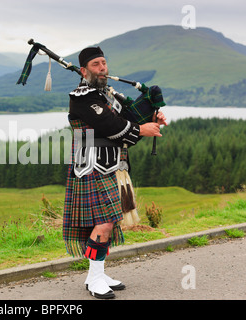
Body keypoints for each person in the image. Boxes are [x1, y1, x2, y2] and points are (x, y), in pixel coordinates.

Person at [62, 46, 167, 299]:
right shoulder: (82, 97)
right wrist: (143, 129)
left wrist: (150, 119)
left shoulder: (106, 96)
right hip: (91, 166)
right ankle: (97, 278)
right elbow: (113, 126)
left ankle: (95, 275)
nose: (102, 68)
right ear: (85, 70)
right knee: (104, 222)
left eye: (104, 63)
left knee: (107, 220)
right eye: (96, 65)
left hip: (110, 165)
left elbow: (124, 134)